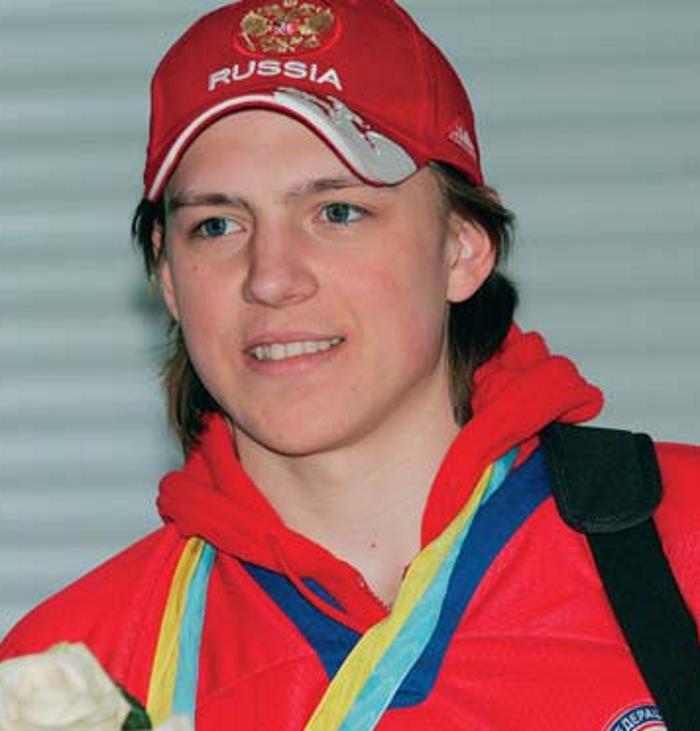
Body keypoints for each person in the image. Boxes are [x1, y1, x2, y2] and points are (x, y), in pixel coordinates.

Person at [1, 1, 698, 729]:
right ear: (169, 279)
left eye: (337, 212)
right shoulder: (69, 680)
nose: (271, 278)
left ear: (462, 248)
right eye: (217, 224)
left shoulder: (680, 542)